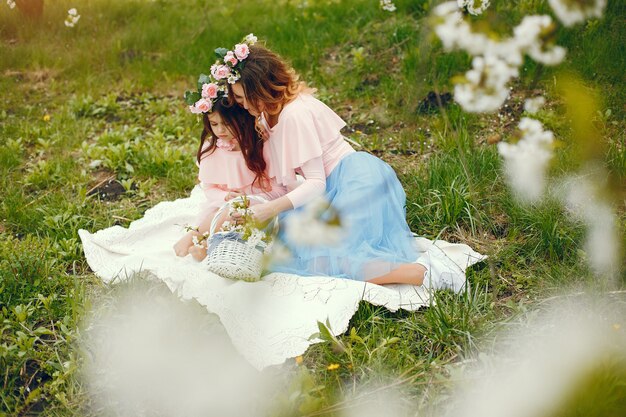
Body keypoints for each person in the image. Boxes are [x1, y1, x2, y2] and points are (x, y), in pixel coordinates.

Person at [210, 34, 465, 290]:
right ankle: (417, 272)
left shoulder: (294, 115)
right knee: (299, 255)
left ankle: (425, 273)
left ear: (260, 91)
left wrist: (269, 209)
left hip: (356, 181)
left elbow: (316, 183)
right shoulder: (267, 119)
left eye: (242, 98)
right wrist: (250, 199)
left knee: (336, 261)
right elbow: (286, 183)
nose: (241, 106)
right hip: (330, 191)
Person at [173, 77, 286, 261]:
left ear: (242, 120)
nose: (220, 131)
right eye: (214, 124)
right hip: (225, 205)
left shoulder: (260, 145)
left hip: (260, 203)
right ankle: (201, 241)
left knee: (236, 218)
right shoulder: (213, 148)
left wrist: (250, 201)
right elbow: (209, 188)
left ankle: (200, 240)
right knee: (220, 215)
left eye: (226, 124)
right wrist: (224, 197)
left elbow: (280, 190)